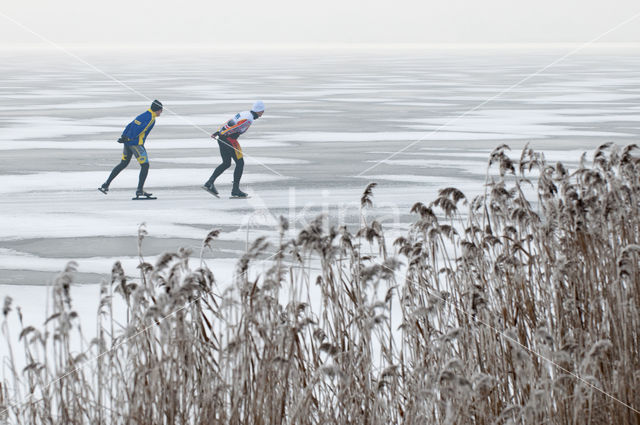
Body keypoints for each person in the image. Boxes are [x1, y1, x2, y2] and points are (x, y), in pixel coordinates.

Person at [99, 100, 163, 198]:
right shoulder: (151, 118)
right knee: (145, 166)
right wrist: (128, 138)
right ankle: (139, 190)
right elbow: (140, 129)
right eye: (161, 110)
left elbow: (130, 125)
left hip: (128, 143)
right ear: (157, 110)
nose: (161, 112)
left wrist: (124, 137)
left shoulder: (143, 115)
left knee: (123, 163)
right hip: (136, 144)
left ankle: (105, 185)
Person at [203, 101, 265, 198]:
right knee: (240, 163)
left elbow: (229, 122)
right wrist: (221, 133)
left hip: (223, 138)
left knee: (226, 163)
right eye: (262, 112)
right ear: (258, 111)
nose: (261, 115)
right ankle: (235, 190)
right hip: (229, 140)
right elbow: (236, 127)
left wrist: (218, 132)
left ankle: (209, 183)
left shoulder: (244, 113)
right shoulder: (248, 119)